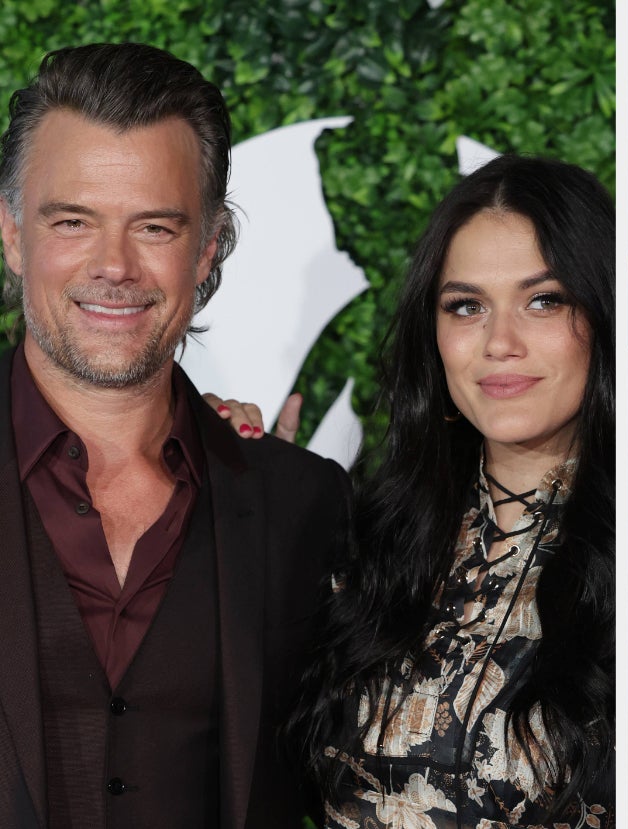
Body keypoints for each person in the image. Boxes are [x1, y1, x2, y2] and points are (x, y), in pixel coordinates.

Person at [0, 43, 350, 827]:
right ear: (13, 233)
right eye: (73, 221)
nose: (114, 265)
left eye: (155, 226)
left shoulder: (303, 505)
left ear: (208, 248)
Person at [251, 155, 614, 828]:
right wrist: (241, 505)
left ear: (600, 315)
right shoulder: (369, 543)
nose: (499, 342)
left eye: (543, 300)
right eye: (466, 306)